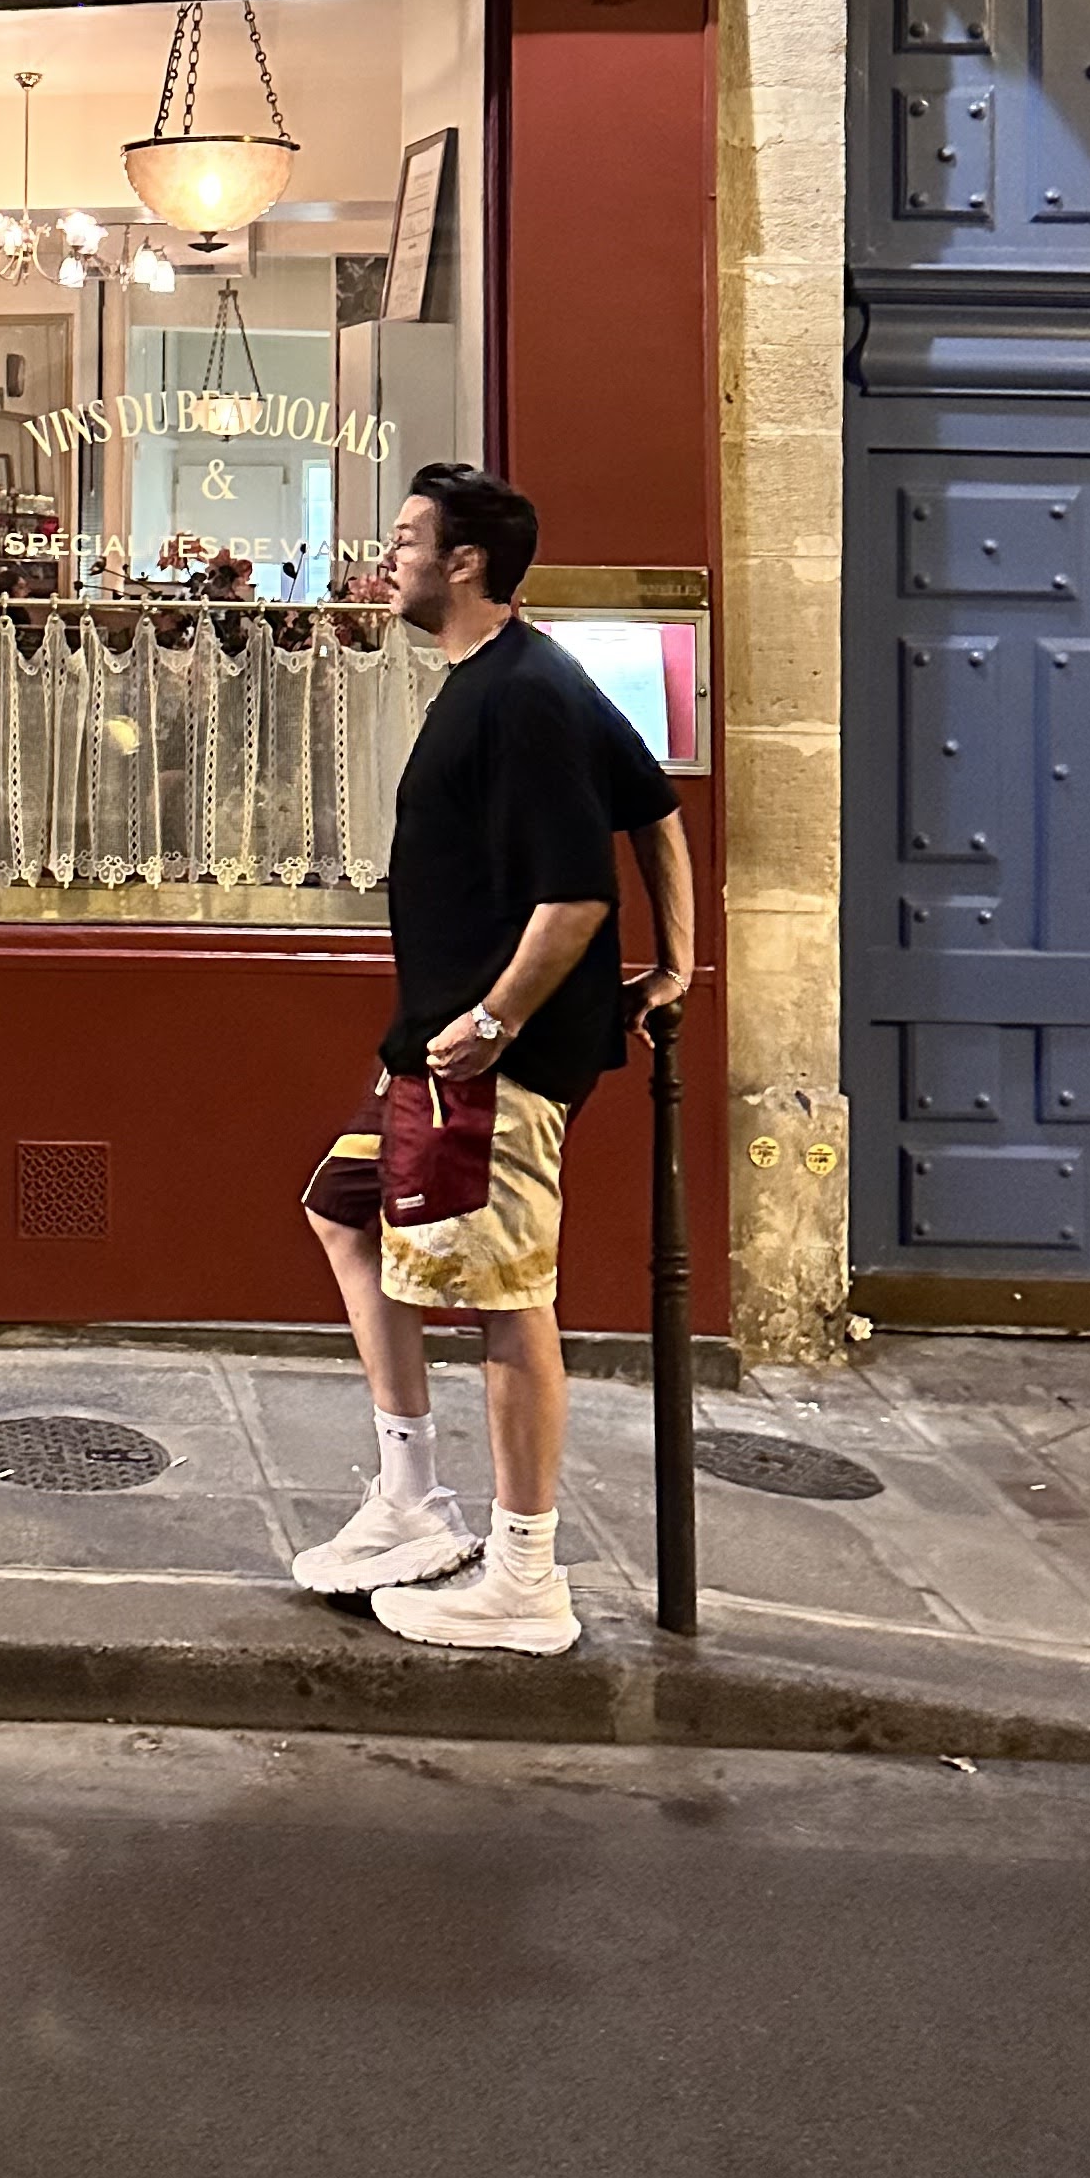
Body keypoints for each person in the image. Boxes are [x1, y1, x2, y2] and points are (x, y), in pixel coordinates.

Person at [289, 461, 692, 1655]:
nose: (389, 557)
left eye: (407, 539)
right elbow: (654, 806)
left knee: (508, 1301)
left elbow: (574, 898)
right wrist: (678, 963)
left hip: (485, 1067)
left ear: (464, 563)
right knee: (344, 1208)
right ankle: (410, 1500)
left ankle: (524, 1577)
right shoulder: (521, 676)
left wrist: (494, 1024)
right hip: (436, 1049)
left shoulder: (519, 698)